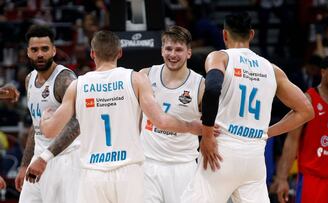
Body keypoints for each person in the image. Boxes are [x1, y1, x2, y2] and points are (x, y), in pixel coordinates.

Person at [32, 30, 202, 203]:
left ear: (92, 54)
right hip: (129, 171)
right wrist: (191, 127)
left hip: (93, 173)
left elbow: (50, 130)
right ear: (120, 53)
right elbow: (161, 121)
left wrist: (45, 118)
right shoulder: (136, 79)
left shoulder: (78, 85)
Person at [181, 12, 314, 203]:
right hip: (254, 157)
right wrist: (267, 132)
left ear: (225, 35)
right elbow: (306, 111)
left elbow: (212, 88)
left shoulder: (220, 57)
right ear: (251, 35)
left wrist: (207, 135)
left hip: (222, 152)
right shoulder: (271, 69)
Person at [273, 54, 328, 203]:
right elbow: (291, 142)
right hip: (312, 178)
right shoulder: (307, 100)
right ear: (323, 72)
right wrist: (282, 179)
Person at [14, 24, 80, 203]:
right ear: (28, 52)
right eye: (34, 50)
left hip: (64, 160)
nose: (40, 54)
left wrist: (45, 157)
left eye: (45, 49)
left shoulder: (64, 79)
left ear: (53, 50)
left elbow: (78, 123)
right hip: (38, 159)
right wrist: (24, 165)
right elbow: (35, 127)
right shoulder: (29, 79)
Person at [140, 25, 205, 203]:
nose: (173, 54)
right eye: (168, 49)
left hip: (183, 166)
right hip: (148, 164)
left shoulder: (200, 85)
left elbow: (209, 127)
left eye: (178, 50)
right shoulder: (145, 76)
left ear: (189, 53)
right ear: (162, 50)